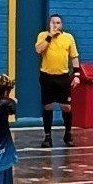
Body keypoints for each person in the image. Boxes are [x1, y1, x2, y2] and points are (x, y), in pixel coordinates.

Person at [36, 14, 79, 147]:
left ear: (62, 24)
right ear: (49, 24)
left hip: (63, 77)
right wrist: (50, 36)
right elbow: (38, 50)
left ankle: (68, 133)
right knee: (48, 106)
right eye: (53, 23)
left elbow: (74, 56)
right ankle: (47, 136)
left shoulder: (68, 37)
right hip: (47, 75)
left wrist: (77, 75)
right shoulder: (43, 36)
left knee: (66, 106)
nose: (56, 25)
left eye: (58, 23)